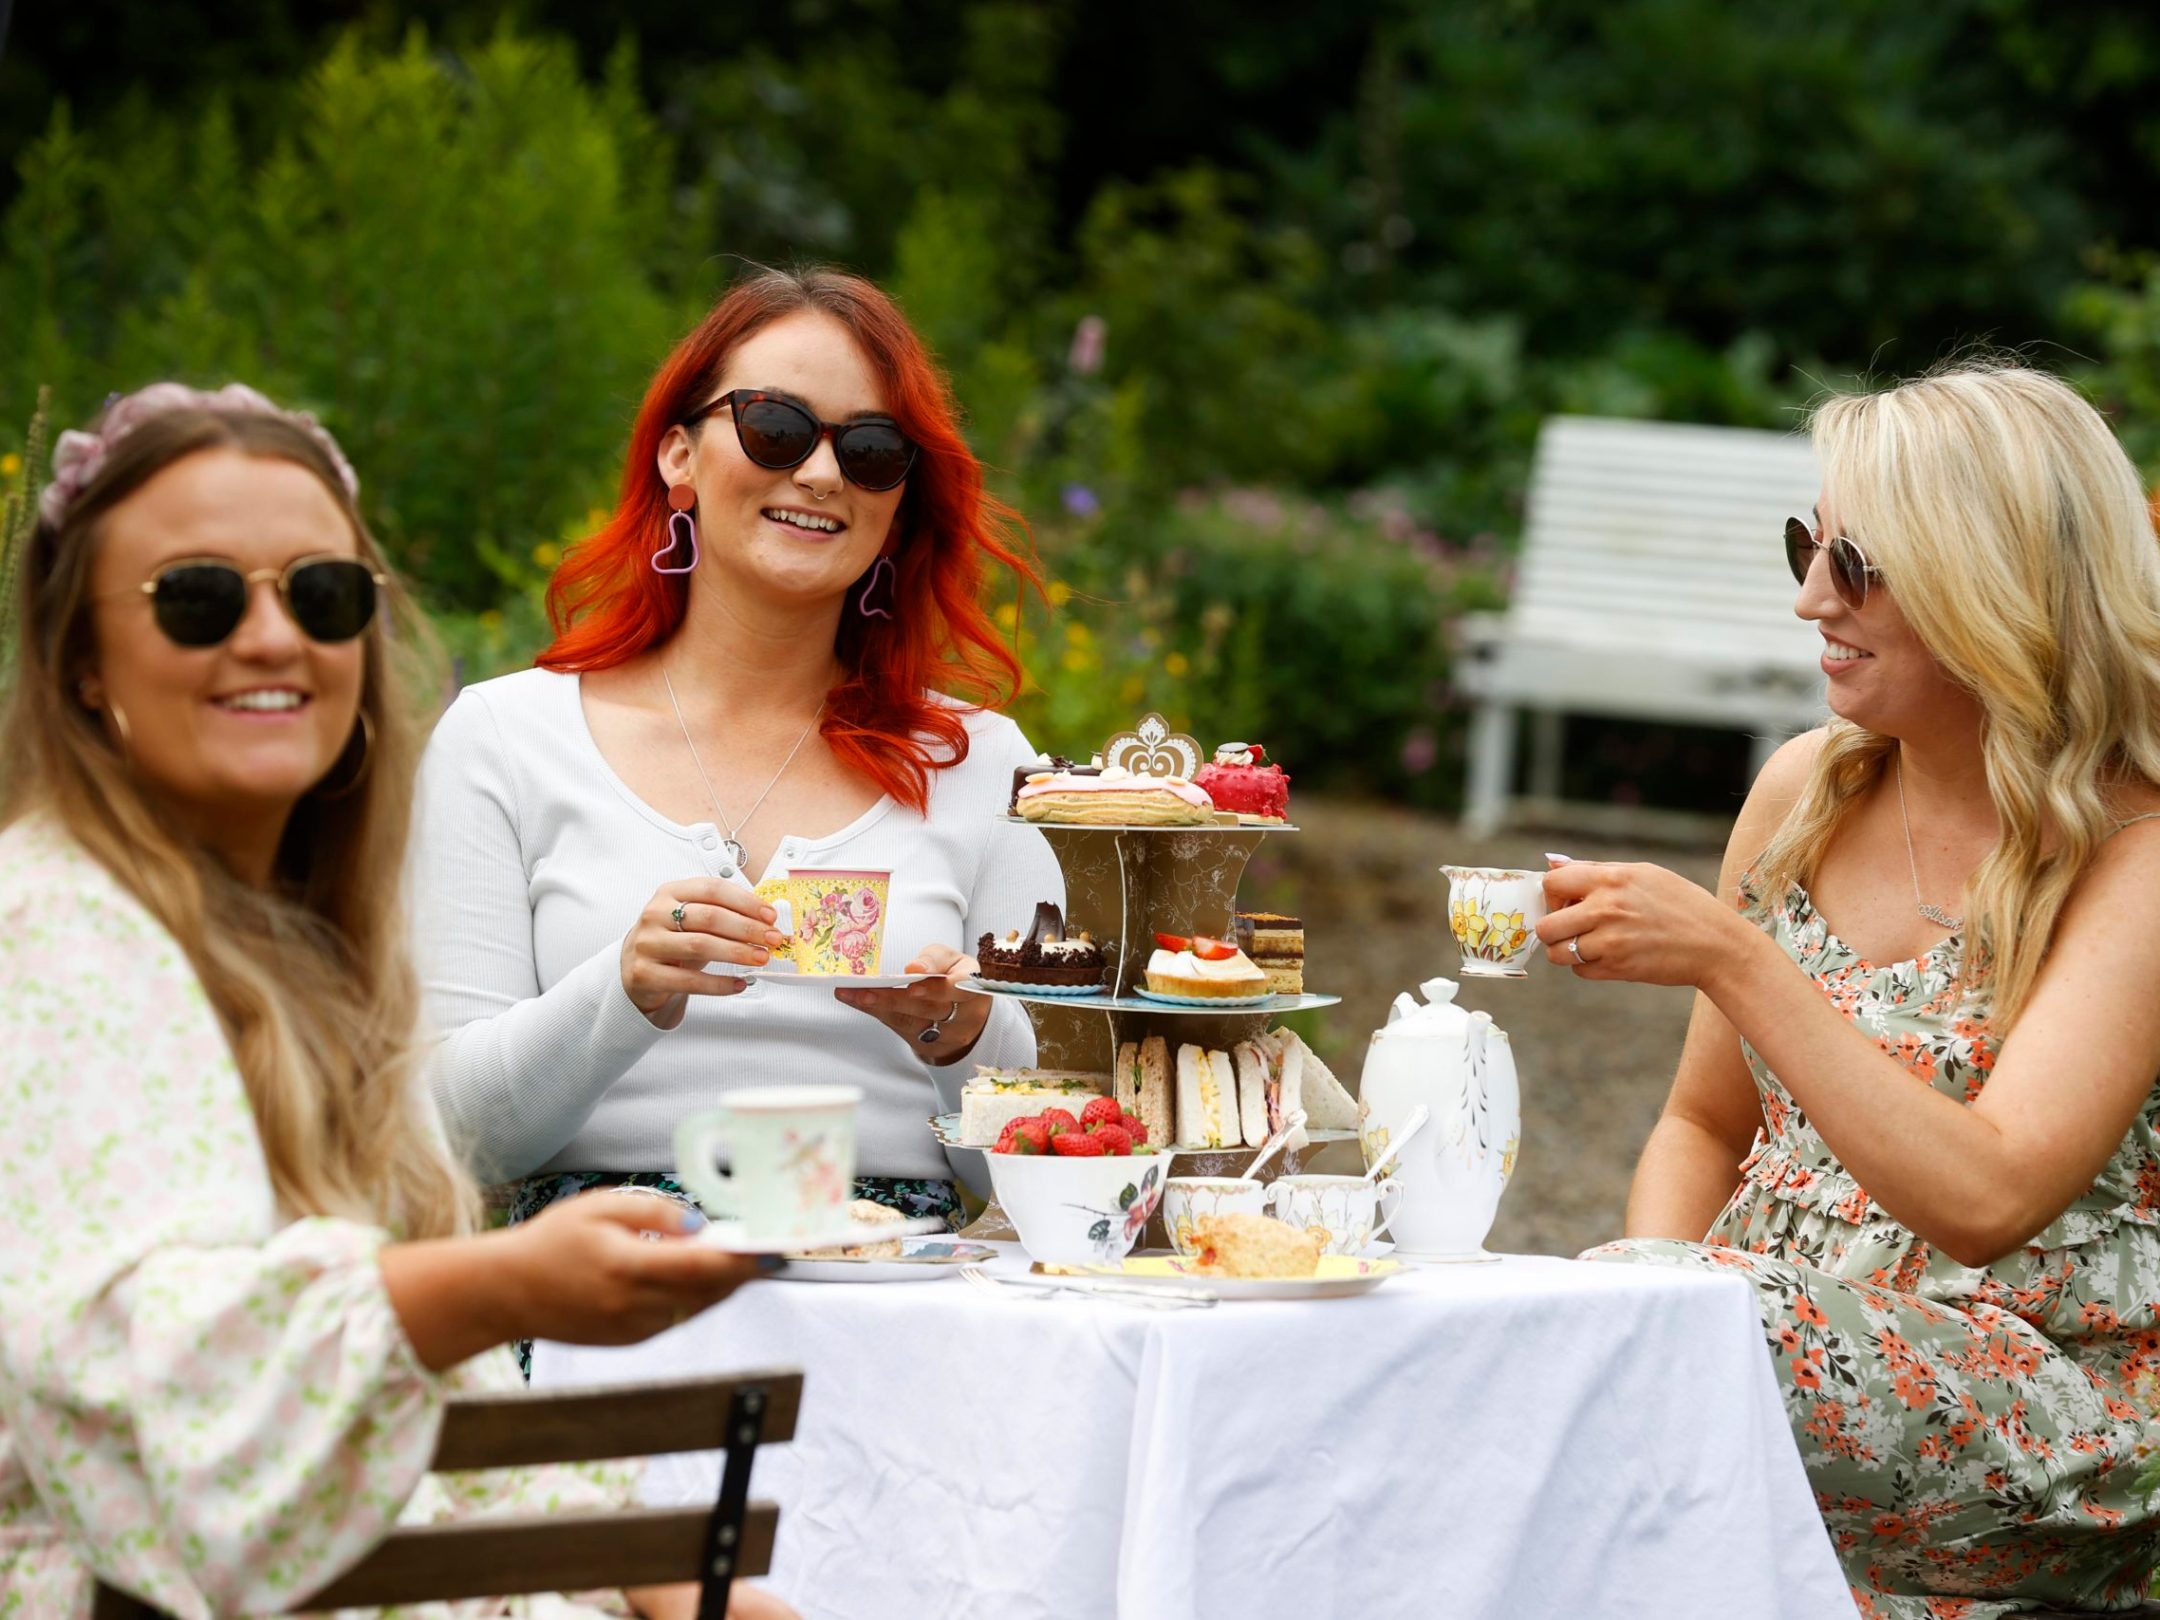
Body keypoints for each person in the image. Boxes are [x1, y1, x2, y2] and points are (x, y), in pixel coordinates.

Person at [0, 383, 791, 1619]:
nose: (271, 639)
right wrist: (502, 1285)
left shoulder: (306, 954)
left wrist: (661, 1575)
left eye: (322, 595)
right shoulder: (52, 929)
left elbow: (429, 1409)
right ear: (82, 663)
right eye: (199, 599)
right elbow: (152, 1371)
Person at [1546, 361, 2160, 1616]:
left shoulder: (2137, 852)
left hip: (2042, 1406)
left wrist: (1735, 961)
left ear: (1996, 584)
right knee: (1551, 1340)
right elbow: (1702, 1126)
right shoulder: (1804, 791)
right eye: (1804, 547)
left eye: (1858, 563)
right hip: (1754, 1348)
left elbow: (1989, 1194)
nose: (1810, 598)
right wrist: (1645, 1301)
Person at [409, 267, 1060, 1243]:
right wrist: (622, 988)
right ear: (679, 453)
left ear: (898, 504)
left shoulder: (983, 765)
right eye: (777, 428)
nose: (823, 474)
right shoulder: (505, 739)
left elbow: (1052, 1170)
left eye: (873, 450)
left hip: (890, 1296)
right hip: (592, 1293)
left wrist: (961, 1033)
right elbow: (449, 1141)